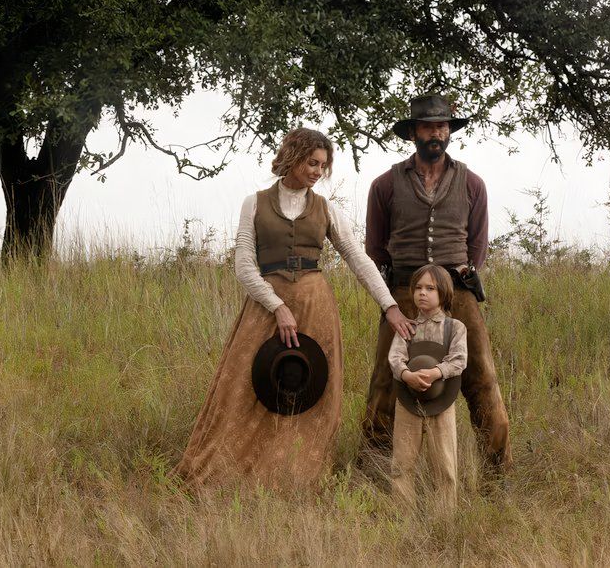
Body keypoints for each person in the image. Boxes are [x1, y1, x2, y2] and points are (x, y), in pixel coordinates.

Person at [175, 127, 415, 486]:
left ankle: (297, 476)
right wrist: (276, 305)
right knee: (247, 387)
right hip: (264, 308)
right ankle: (235, 472)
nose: (318, 171)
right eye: (311, 162)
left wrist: (390, 305)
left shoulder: (325, 208)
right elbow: (243, 264)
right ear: (292, 156)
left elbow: (356, 257)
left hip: (315, 306)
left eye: (323, 165)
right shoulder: (254, 202)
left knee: (309, 389)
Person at [360, 93, 512, 474]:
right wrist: (398, 297)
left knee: (481, 378)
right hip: (403, 294)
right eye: (428, 126)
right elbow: (375, 247)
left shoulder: (472, 182)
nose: (436, 133)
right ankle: (376, 469)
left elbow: (478, 244)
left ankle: (496, 472)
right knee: (385, 379)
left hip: (458, 293)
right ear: (413, 132)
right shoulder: (385, 185)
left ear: (450, 131)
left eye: (443, 126)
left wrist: (454, 282)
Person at [388, 264, 466, 511]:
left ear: (443, 293)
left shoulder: (455, 328)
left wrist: (435, 373)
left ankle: (444, 519)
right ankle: (402, 518)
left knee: (444, 465)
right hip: (408, 403)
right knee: (402, 463)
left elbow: (459, 360)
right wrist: (407, 375)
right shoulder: (407, 328)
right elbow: (395, 358)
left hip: (442, 405)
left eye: (430, 288)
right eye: (418, 288)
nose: (422, 293)